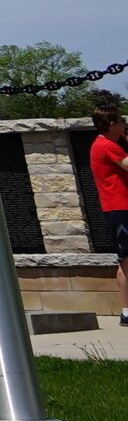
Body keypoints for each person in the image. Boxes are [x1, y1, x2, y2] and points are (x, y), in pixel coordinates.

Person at [90, 91, 128, 325]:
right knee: (126, 261)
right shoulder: (106, 146)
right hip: (120, 209)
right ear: (111, 124)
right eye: (122, 121)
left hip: (121, 208)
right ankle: (126, 310)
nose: (125, 124)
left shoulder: (114, 144)